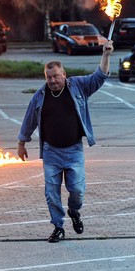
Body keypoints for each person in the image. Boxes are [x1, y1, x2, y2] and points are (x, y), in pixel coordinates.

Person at [17, 40, 114, 243]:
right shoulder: (40, 96)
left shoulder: (78, 86)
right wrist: (21, 143)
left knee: (77, 190)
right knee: (51, 193)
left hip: (74, 151)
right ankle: (58, 227)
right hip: (51, 152)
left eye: (56, 77)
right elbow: (29, 120)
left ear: (64, 75)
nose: (53, 81)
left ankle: (74, 210)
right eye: (49, 77)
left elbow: (100, 77)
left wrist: (106, 55)